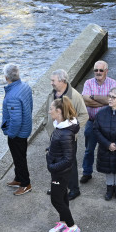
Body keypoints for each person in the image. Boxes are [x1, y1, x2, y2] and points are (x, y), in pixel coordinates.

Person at [46, 69, 88, 199]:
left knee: (70, 164)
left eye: (53, 80)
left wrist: (71, 129)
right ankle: (57, 187)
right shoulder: (52, 94)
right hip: (55, 136)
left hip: (67, 138)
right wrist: (45, 123)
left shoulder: (74, 96)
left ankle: (74, 189)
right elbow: (47, 110)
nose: (51, 83)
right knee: (55, 162)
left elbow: (84, 115)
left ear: (62, 81)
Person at [46, 97, 81, 232]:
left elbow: (68, 158)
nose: (49, 111)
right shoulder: (60, 126)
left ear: (59, 111)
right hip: (58, 171)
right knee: (63, 196)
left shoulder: (66, 132)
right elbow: (59, 146)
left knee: (56, 200)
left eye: (51, 109)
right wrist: (50, 150)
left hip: (60, 173)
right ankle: (63, 222)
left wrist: (52, 166)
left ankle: (72, 227)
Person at [80, 60, 116, 184]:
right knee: (89, 149)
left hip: (108, 123)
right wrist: (106, 100)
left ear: (106, 71)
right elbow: (84, 100)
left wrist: (93, 97)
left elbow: (115, 101)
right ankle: (87, 173)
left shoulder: (113, 83)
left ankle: (110, 175)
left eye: (101, 70)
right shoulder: (88, 83)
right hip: (92, 122)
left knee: (109, 149)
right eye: (96, 70)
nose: (98, 72)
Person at [1, 63, 34, 196]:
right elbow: (30, 106)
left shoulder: (12, 95)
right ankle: (18, 178)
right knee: (19, 156)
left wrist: (11, 134)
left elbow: (15, 120)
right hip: (25, 128)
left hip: (17, 134)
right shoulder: (25, 87)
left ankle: (26, 184)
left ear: (6, 77)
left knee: (19, 158)